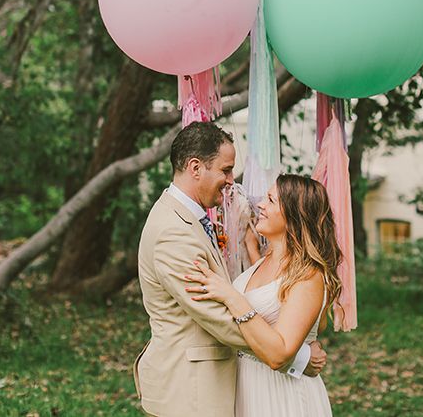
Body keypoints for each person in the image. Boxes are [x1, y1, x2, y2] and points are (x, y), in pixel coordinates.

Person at [135, 122, 327, 417]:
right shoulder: (172, 230)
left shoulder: (190, 218)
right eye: (225, 170)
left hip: (251, 391)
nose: (230, 180)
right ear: (196, 168)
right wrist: (294, 355)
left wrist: (285, 348)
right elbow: (215, 315)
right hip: (190, 390)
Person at [183, 173, 342, 417]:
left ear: (293, 214)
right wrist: (250, 246)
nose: (260, 205)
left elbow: (280, 353)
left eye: (270, 200)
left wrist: (231, 297)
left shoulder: (309, 275)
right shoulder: (264, 260)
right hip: (245, 385)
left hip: (280, 395)